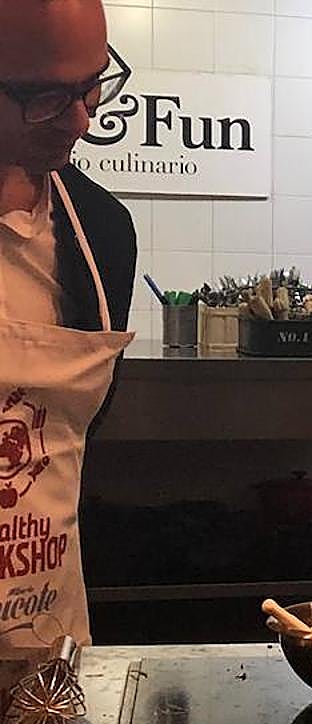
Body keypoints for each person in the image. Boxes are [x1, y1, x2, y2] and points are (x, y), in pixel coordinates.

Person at [0, 0, 137, 647]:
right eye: (50, 99)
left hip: (44, 636)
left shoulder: (101, 232)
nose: (82, 121)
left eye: (93, 87)